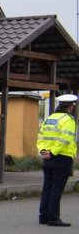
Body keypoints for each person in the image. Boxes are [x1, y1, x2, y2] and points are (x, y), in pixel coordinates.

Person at [37, 93, 77, 227]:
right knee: (56, 189)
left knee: (47, 187)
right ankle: (53, 218)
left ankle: (43, 217)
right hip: (62, 158)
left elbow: (41, 138)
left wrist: (44, 152)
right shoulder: (68, 120)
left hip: (47, 158)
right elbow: (65, 140)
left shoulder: (49, 119)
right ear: (70, 107)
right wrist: (53, 153)